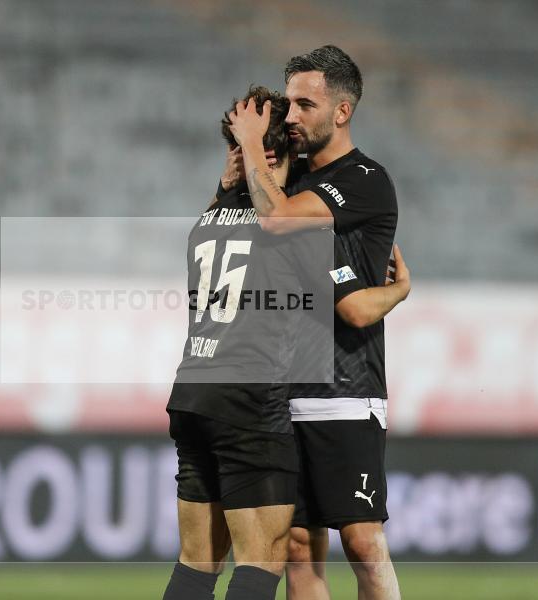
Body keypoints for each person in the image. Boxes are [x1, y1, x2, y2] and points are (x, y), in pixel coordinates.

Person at [165, 82, 409, 600]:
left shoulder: (209, 220)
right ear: (280, 152)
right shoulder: (293, 225)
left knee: (196, 563)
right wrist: (399, 290)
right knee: (262, 562)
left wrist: (233, 165)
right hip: (253, 401)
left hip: (191, 391)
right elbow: (353, 307)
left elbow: (237, 205)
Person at [227, 46, 402, 600]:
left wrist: (253, 144)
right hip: (279, 390)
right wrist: (239, 164)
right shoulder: (284, 176)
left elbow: (277, 220)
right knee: (298, 548)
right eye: (290, 102)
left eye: (306, 103)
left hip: (344, 389)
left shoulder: (365, 179)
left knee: (364, 545)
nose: (293, 115)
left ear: (342, 111)